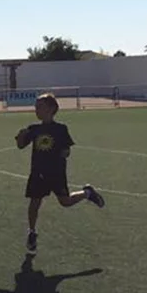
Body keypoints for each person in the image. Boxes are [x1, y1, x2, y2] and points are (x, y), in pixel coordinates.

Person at [15, 93, 105, 252]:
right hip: (37, 172)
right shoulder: (34, 129)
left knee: (65, 202)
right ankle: (32, 232)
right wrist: (20, 137)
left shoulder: (60, 129)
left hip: (56, 172)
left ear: (51, 109)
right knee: (34, 202)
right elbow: (21, 145)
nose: (36, 110)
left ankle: (87, 193)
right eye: (36, 107)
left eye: (40, 107)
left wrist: (62, 153)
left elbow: (66, 150)